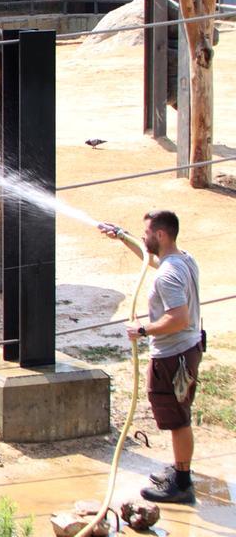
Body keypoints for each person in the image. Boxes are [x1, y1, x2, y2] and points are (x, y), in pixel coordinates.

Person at [99, 210, 202, 505]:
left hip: (173, 356)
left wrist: (143, 329)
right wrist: (123, 236)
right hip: (188, 349)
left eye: (145, 234)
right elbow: (153, 261)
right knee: (179, 414)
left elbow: (178, 318)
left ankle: (182, 484)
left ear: (160, 235)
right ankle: (180, 469)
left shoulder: (168, 276)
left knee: (178, 419)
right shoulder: (184, 260)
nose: (143, 237)